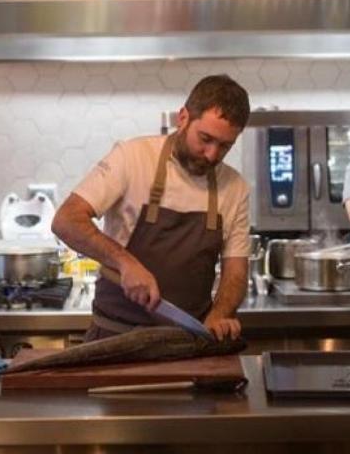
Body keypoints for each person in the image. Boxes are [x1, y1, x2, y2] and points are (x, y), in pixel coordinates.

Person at [52, 75, 251, 342]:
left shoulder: (234, 187)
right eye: (205, 138)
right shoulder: (131, 157)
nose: (212, 155)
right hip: (114, 337)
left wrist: (221, 313)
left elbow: (236, 271)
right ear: (183, 118)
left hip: (187, 343)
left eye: (225, 145)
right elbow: (66, 220)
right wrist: (126, 264)